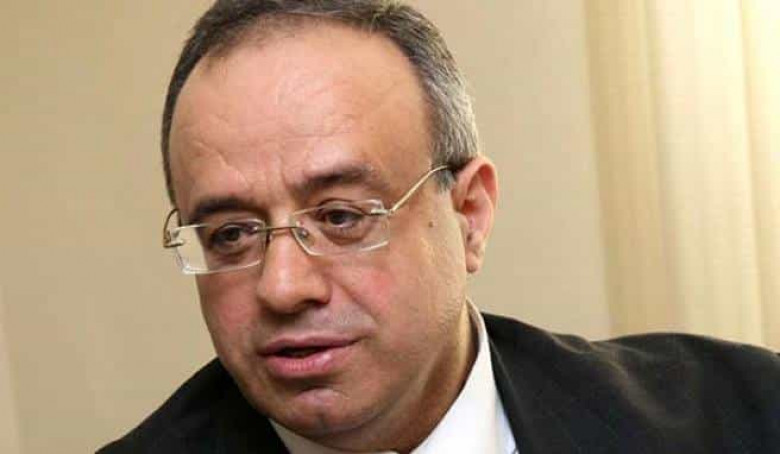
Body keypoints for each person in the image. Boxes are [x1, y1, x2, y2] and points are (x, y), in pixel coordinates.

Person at [99, 1, 780, 453]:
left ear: (469, 215)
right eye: (231, 235)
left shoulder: (744, 417)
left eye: (340, 217)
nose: (282, 287)